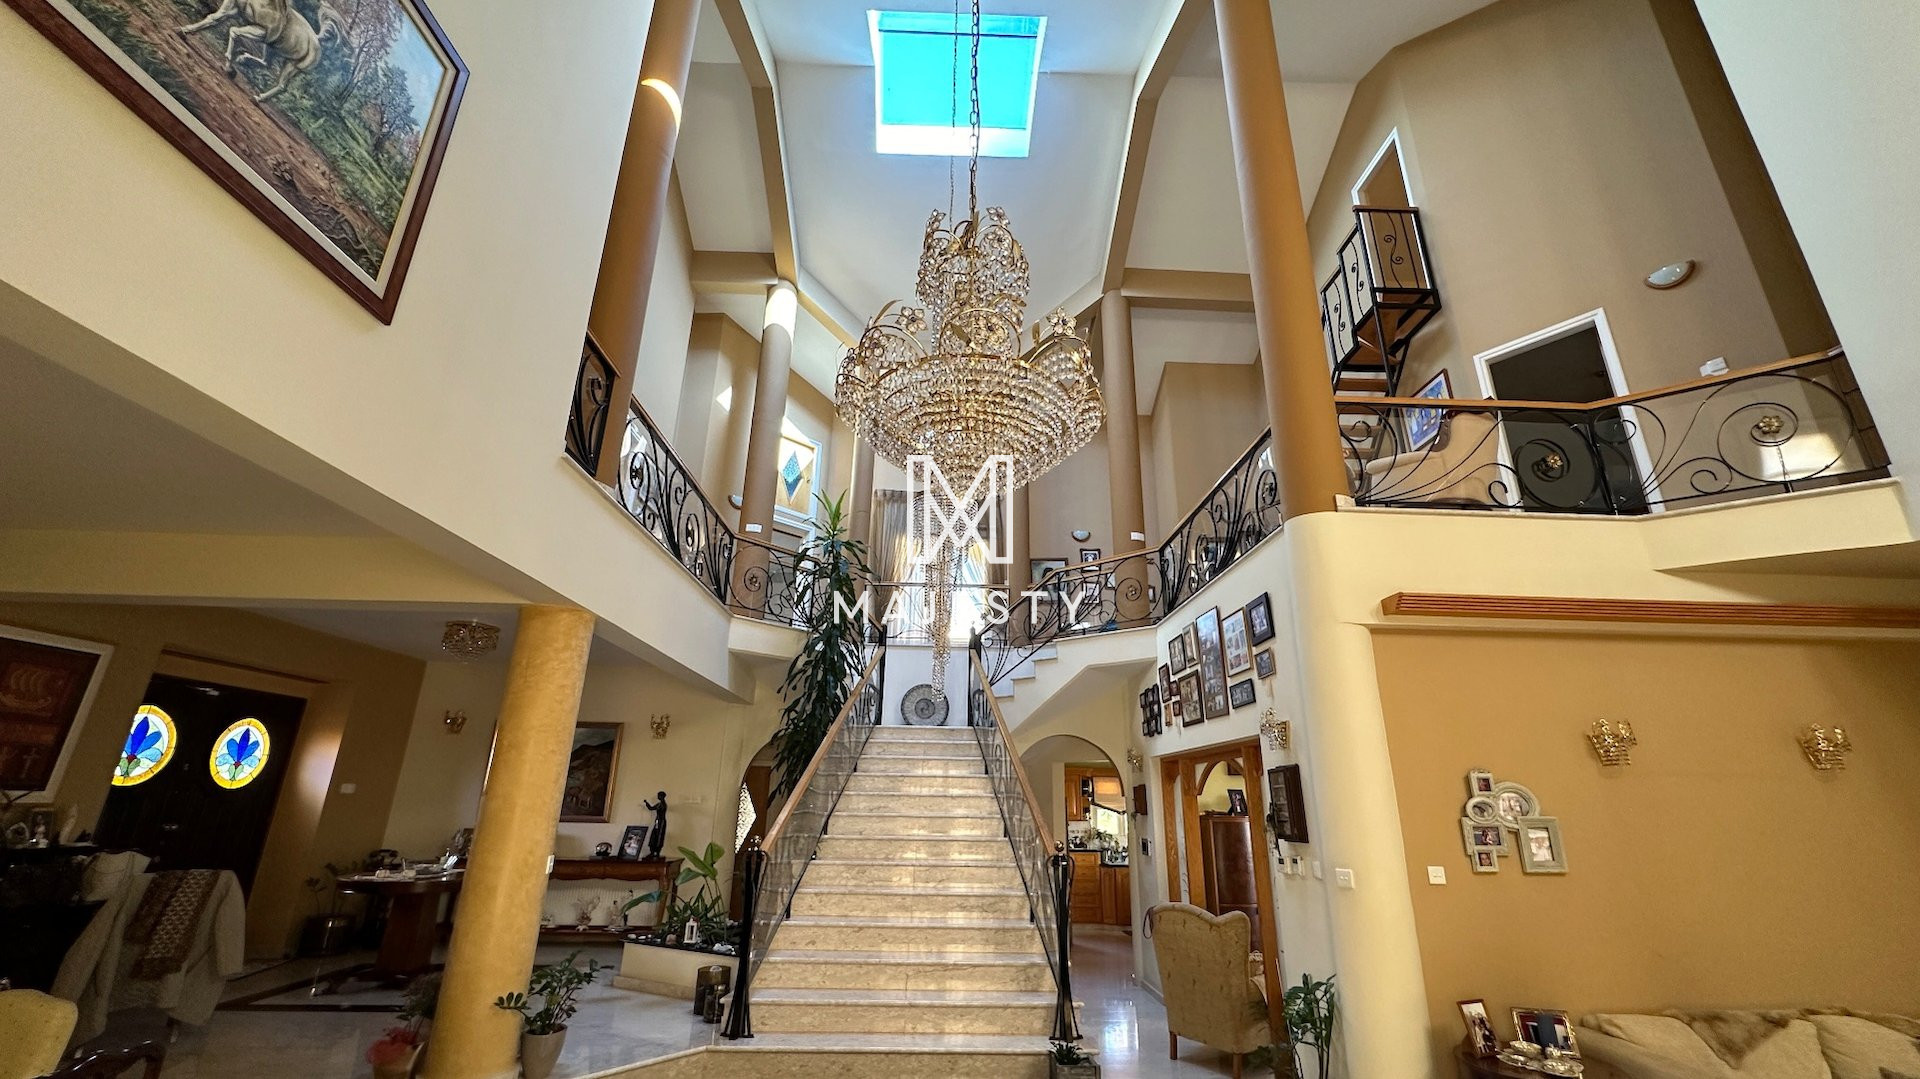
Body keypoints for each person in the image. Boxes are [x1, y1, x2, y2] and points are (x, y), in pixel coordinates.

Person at [642, 792, 668, 860]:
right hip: (657, 822)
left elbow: (654, 808)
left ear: (662, 796)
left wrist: (647, 803)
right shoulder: (659, 804)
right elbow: (651, 808)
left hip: (661, 823)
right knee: (654, 836)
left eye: (659, 795)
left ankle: (657, 852)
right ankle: (652, 851)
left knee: (659, 837)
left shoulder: (663, 804)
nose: (658, 797)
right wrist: (646, 803)